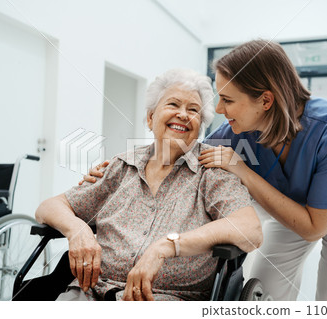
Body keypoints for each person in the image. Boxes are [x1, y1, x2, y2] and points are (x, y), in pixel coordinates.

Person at [86, 40, 327, 301]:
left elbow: (313, 228)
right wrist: (116, 169)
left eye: (227, 100)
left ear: (265, 100)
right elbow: (184, 152)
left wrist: (241, 170)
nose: (217, 110)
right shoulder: (236, 131)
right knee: (267, 288)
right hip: (294, 205)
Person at [36, 68, 262, 301]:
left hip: (167, 298)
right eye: (173, 105)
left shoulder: (212, 171)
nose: (183, 115)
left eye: (193, 110)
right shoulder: (121, 166)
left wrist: (166, 246)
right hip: (91, 292)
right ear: (150, 117)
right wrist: (77, 230)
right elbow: (49, 207)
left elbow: (250, 229)